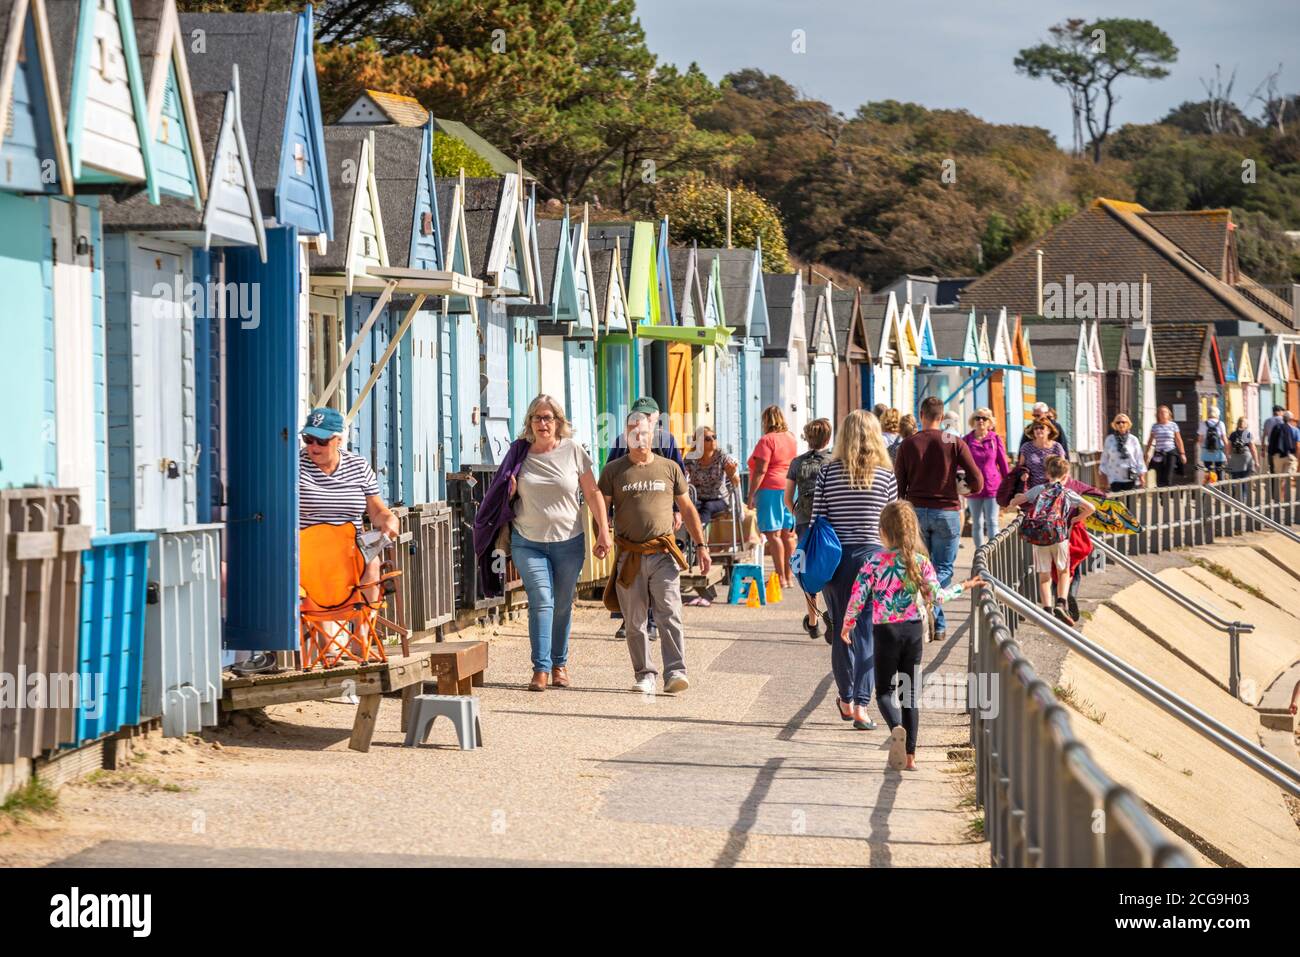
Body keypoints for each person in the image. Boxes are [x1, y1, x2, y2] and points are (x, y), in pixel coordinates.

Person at [841, 502, 983, 770]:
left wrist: (847, 624)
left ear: (883, 530)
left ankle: (896, 727)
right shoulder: (921, 562)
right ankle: (910, 758)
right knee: (910, 695)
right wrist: (964, 585)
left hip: (885, 632)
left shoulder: (873, 562)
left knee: (884, 692)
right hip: (913, 631)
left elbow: (858, 597)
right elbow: (936, 597)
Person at [500, 395, 612, 692]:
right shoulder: (519, 453)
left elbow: (592, 493)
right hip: (528, 541)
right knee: (542, 601)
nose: (542, 423)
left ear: (558, 422)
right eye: (537, 418)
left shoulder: (573, 451)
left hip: (568, 541)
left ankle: (560, 664)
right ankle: (541, 669)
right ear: (530, 423)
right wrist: (508, 490)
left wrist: (604, 530)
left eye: (548, 417)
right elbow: (503, 495)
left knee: (562, 604)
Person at [599, 412, 710, 695]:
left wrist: (702, 546)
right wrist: (602, 533)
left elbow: (687, 509)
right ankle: (645, 673)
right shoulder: (613, 470)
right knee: (634, 620)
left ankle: (676, 672)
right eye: (633, 431)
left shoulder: (669, 468)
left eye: (645, 432)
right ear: (626, 436)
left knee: (669, 613)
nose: (639, 436)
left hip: (663, 553)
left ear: (653, 435)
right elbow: (602, 508)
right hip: (629, 554)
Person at [812, 410, 897, 730]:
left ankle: (846, 699)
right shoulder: (886, 475)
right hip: (875, 559)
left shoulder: (828, 472)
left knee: (840, 631)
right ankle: (862, 705)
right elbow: (892, 524)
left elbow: (819, 518)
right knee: (867, 632)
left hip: (836, 560)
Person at [894, 396, 984, 643]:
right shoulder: (952, 441)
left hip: (915, 511)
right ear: (942, 417)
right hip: (946, 511)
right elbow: (977, 479)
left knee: (917, 564)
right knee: (943, 567)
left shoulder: (909, 443)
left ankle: (927, 613)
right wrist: (964, 489)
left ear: (921, 414)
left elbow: (899, 484)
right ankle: (938, 618)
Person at [298, 406, 399, 604]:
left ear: (339, 440)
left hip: (350, 554)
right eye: (308, 439)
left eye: (322, 441)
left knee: (371, 563)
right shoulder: (293, 465)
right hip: (309, 556)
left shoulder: (358, 466)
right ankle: (328, 631)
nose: (313, 446)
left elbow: (376, 510)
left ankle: (362, 634)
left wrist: (389, 519)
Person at [606, 396, 684, 641]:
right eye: (638, 415)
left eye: (648, 416)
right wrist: (607, 514)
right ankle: (628, 619)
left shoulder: (667, 440)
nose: (643, 420)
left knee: (656, 567)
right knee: (627, 568)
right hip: (628, 516)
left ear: (656, 418)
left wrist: (677, 509)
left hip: (660, 517)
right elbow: (611, 475)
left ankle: (651, 621)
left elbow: (678, 474)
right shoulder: (622, 441)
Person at [1008, 455, 1096, 626]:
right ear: (1065, 476)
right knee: (1063, 571)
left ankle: (1047, 610)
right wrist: (1075, 520)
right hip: (1060, 536)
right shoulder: (1068, 492)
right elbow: (1091, 508)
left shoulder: (1039, 489)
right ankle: (1061, 603)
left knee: (1044, 576)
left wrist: (1014, 499)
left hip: (1040, 536)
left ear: (1047, 473)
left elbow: (1015, 502)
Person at [786, 418, 833, 640]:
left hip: (805, 521)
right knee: (830, 566)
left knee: (807, 568)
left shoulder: (797, 463)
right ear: (829, 438)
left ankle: (812, 621)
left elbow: (787, 498)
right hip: (829, 522)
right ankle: (833, 615)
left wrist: (798, 513)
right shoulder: (834, 460)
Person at [747, 405, 799, 590]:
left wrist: (751, 493)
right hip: (790, 487)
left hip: (769, 488)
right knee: (788, 534)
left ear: (766, 420)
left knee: (773, 534)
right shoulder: (791, 438)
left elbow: (761, 469)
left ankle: (780, 577)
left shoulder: (766, 440)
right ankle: (790, 577)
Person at [963, 407, 1011, 550]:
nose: (981, 421)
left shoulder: (995, 439)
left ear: (990, 422)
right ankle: (980, 553)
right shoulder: (966, 440)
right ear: (973, 421)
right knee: (976, 522)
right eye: (978, 418)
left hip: (992, 486)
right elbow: (960, 463)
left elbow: (1002, 463)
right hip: (974, 486)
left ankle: (993, 553)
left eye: (984, 418)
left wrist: (1009, 485)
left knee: (992, 521)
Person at [683, 425, 739, 527]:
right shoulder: (690, 458)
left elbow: (736, 482)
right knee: (688, 507)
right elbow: (681, 477)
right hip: (697, 499)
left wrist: (732, 474)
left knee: (708, 506)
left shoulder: (721, 456)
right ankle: (690, 538)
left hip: (719, 499)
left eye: (714, 437)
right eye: (708, 439)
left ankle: (699, 534)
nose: (713, 440)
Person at [1099, 414, 1147, 492]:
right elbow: (1104, 460)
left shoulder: (1133, 440)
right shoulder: (1109, 439)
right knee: (1117, 503)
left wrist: (1142, 476)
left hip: (1130, 476)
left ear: (1128, 424)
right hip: (1114, 478)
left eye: (1123, 422)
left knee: (1130, 503)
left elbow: (1139, 458)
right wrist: (1103, 478)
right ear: (1115, 425)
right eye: (1118, 422)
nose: (1121, 424)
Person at [1017, 418, 1066, 490]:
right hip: (1031, 489)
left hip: (1052, 489)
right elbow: (1020, 467)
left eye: (1041, 427)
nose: (1038, 430)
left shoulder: (1057, 447)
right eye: (1035, 428)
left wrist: (1060, 484)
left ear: (1049, 430)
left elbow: (1064, 469)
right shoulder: (1026, 447)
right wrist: (1023, 473)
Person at [1145, 405, 1186, 488]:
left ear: (1169, 414)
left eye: (1165, 412)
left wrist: (1182, 453)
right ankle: (1160, 496)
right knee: (1159, 476)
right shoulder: (1155, 426)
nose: (1163, 414)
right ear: (1158, 415)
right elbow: (1150, 440)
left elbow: (1178, 440)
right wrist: (1147, 453)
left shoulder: (1173, 425)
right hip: (1159, 453)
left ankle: (1166, 497)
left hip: (1170, 452)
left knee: (1168, 476)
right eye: (1160, 412)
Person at [1198, 405, 1228, 477]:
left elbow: (1200, 439)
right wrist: (1227, 452)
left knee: (1208, 474)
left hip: (1206, 452)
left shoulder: (1203, 424)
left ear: (1208, 413)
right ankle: (1220, 487)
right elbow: (1224, 439)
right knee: (1219, 473)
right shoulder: (1221, 424)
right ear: (1217, 414)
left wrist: (1201, 449)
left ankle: (1210, 487)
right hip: (1219, 452)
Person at [1268, 410, 1299, 475]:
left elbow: (1271, 441)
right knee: (1290, 473)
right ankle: (1284, 484)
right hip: (1288, 455)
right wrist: (1297, 456)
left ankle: (1281, 484)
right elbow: (1297, 445)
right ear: (1290, 419)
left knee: (1278, 476)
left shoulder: (1276, 427)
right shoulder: (1294, 429)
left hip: (1277, 456)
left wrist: (1271, 454)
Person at [1263, 405, 1285, 472]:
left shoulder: (1267, 421)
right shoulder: (1283, 420)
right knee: (1281, 469)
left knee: (1272, 468)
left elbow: (1264, 436)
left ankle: (1273, 482)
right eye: (1282, 411)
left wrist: (1262, 449)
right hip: (1281, 448)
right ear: (1279, 412)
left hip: (1271, 447)